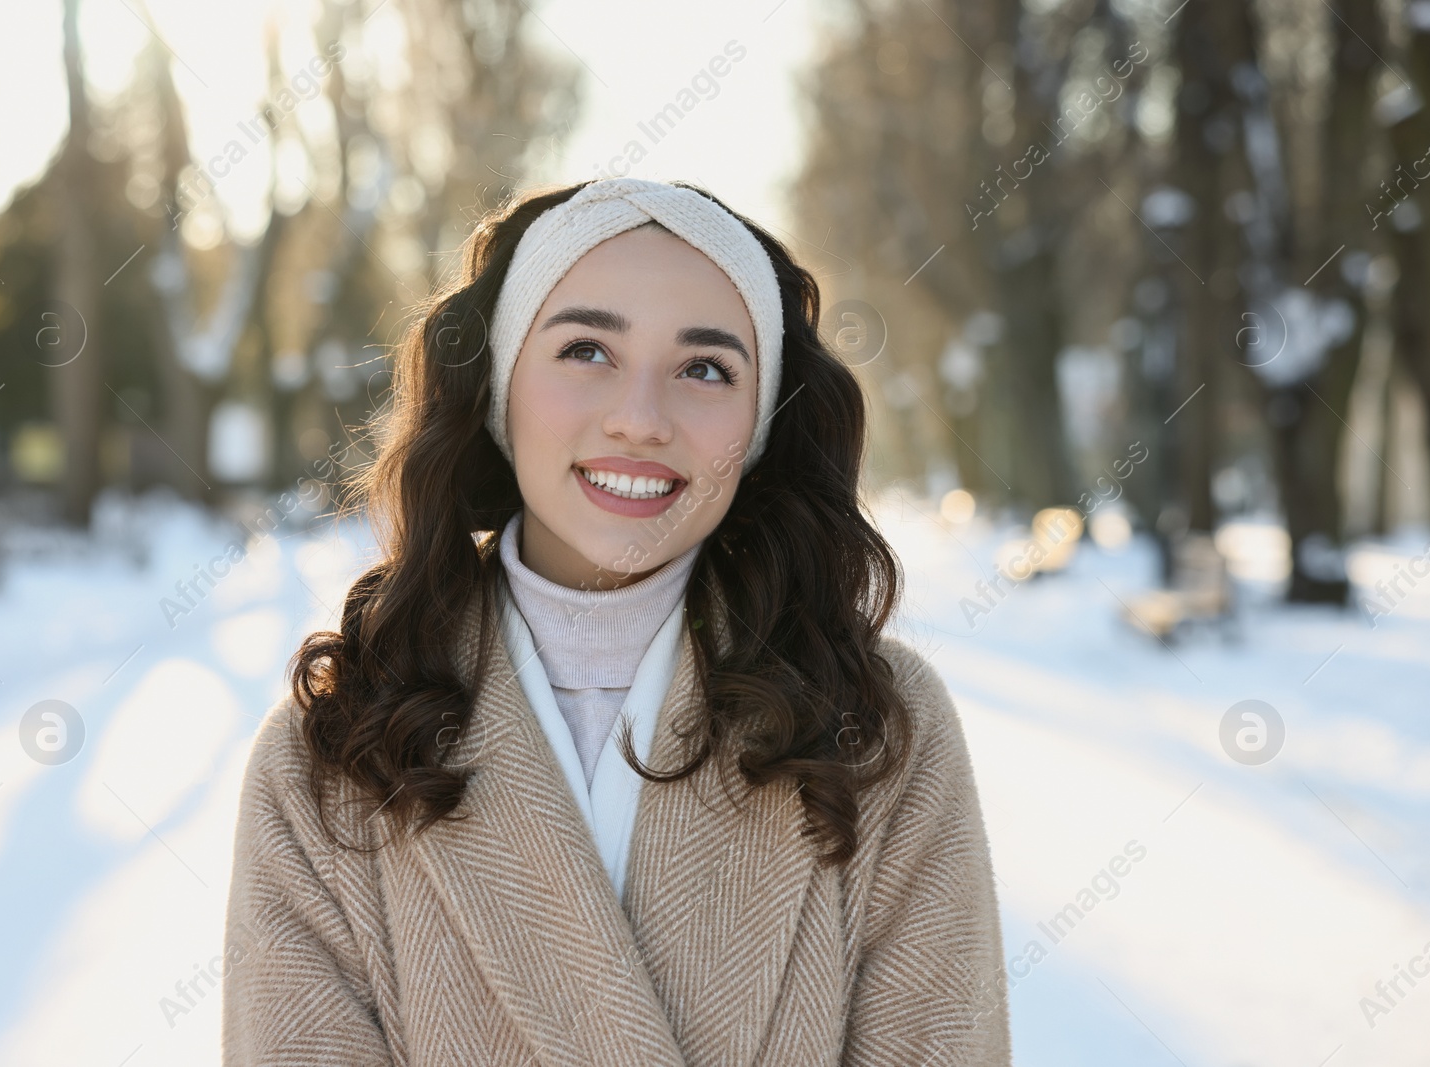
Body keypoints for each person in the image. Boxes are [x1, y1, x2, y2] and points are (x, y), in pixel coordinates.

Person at [221, 176, 1012, 1065]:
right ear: (498, 386)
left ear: (755, 425)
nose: (639, 419)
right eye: (587, 350)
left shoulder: (879, 730)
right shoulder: (329, 753)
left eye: (705, 368)